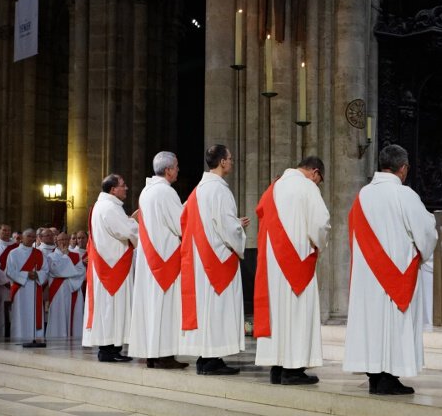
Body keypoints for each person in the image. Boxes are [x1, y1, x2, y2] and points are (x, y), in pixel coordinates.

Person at [343, 144, 437, 396]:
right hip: (394, 272)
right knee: (392, 323)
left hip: (368, 273)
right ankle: (388, 377)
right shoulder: (403, 195)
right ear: (403, 168)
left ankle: (376, 375)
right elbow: (426, 232)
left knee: (372, 324)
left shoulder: (362, 195)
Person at [254, 156, 331, 385]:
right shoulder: (307, 187)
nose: (318, 184)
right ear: (314, 172)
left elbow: (261, 214)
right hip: (297, 260)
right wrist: (320, 243)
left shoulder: (273, 187)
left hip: (273, 262)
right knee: (297, 314)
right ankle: (293, 370)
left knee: (278, 314)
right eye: (320, 180)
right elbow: (320, 224)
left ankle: (277, 368)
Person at [179, 145, 247, 375]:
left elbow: (186, 219)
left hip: (201, 258)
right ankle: (211, 360)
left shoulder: (197, 190)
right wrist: (238, 229)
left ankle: (207, 357)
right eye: (230, 158)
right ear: (222, 162)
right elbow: (228, 228)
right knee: (218, 309)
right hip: (218, 259)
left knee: (208, 310)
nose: (232, 162)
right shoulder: (220, 191)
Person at [128, 151, 188, 369]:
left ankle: (152, 353)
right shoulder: (166, 192)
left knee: (152, 306)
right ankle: (164, 355)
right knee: (165, 307)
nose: (178, 170)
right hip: (166, 257)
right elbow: (180, 223)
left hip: (150, 257)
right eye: (177, 166)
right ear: (169, 169)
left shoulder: (146, 192)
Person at [82, 173, 138, 363]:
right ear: (113, 189)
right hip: (113, 266)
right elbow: (127, 231)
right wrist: (136, 221)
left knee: (110, 308)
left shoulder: (103, 206)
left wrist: (130, 221)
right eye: (123, 185)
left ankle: (112, 349)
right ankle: (108, 350)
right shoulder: (109, 207)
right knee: (111, 308)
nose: (126, 188)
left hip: (109, 263)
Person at [6, 227, 48, 347]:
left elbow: (45, 270)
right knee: (20, 315)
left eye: (33, 236)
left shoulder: (39, 253)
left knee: (34, 315)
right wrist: (26, 275)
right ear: (22, 238)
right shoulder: (13, 253)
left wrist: (38, 274)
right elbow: (10, 271)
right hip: (20, 290)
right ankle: (18, 339)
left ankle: (36, 338)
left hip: (35, 288)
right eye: (28, 236)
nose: (31, 238)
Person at [42, 229, 86, 340]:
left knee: (75, 317)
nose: (64, 242)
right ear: (56, 241)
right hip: (58, 292)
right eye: (61, 239)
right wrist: (67, 259)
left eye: (66, 239)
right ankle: (57, 339)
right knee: (59, 316)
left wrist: (68, 271)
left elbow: (81, 272)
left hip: (74, 291)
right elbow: (56, 270)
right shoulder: (51, 257)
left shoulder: (76, 256)